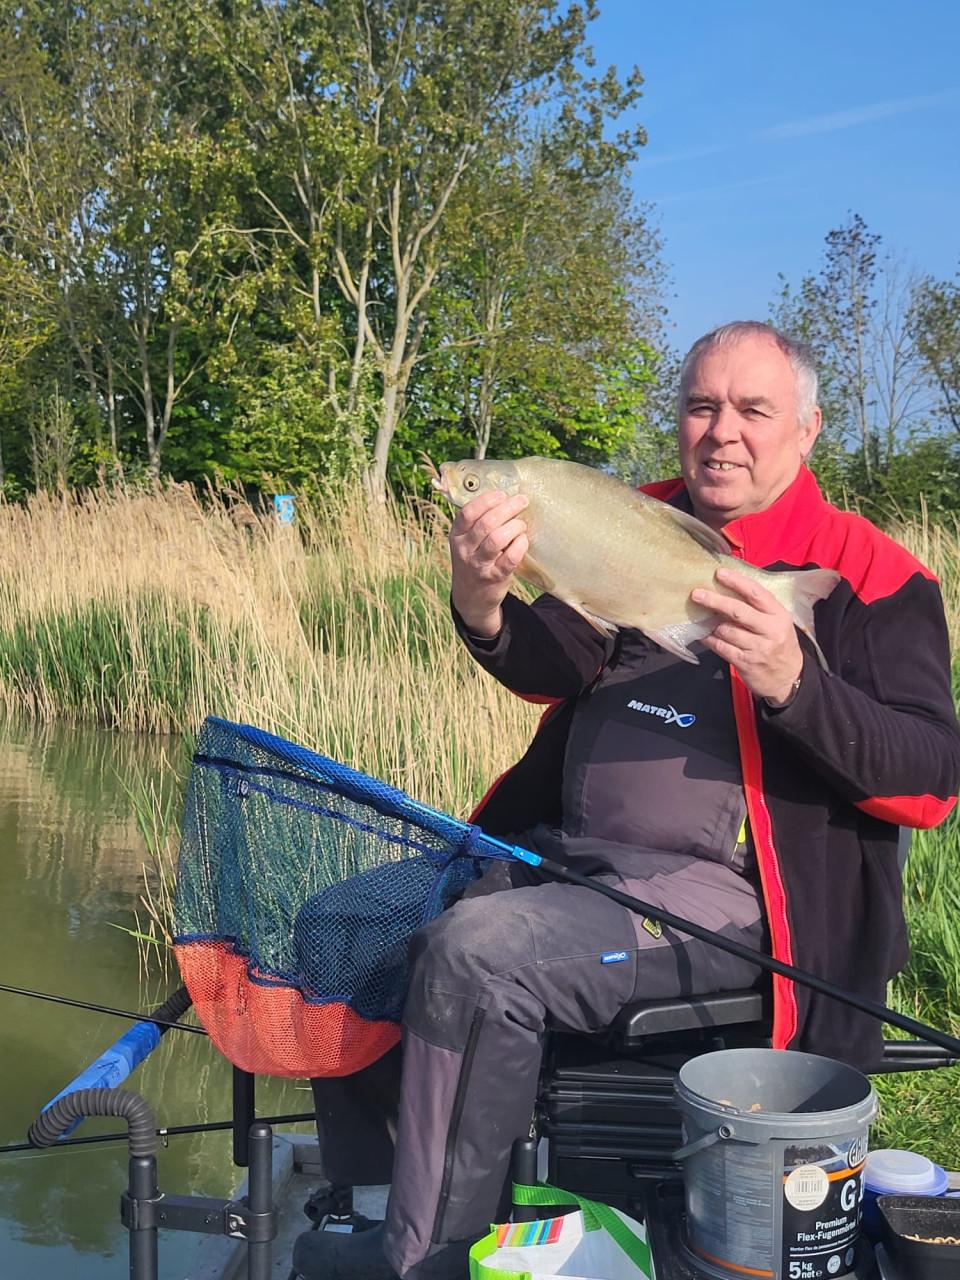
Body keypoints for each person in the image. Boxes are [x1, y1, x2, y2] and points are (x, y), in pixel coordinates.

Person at [293, 321, 960, 1280]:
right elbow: (554, 661)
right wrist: (482, 603)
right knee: (343, 923)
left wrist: (793, 684)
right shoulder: (636, 520)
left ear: (806, 430)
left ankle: (432, 1256)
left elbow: (933, 778)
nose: (721, 432)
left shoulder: (873, 574)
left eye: (752, 411)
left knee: (482, 958)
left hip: (736, 909)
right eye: (701, 406)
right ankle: (366, 1201)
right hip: (564, 860)